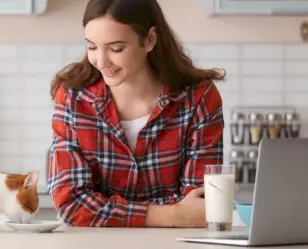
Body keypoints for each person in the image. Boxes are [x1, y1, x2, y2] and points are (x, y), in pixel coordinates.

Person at [47, 0, 226, 228]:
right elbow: (71, 203)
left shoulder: (199, 98)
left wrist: (104, 209)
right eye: (91, 47)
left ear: (150, 40)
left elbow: (200, 204)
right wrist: (174, 215)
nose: (101, 61)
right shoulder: (73, 98)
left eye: (116, 48)